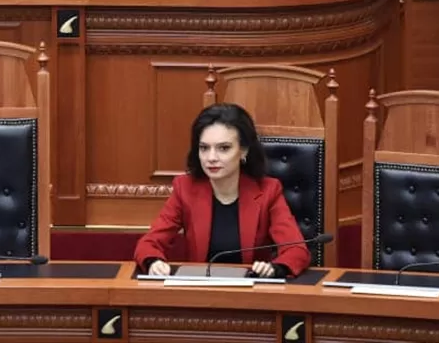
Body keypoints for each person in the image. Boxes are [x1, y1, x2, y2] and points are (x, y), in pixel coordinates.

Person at [133, 103, 311, 278]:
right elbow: (148, 244)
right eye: (204, 148)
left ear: (243, 151)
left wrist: (274, 269)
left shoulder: (268, 191)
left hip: (251, 291)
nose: (211, 158)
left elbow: (297, 250)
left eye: (223, 148)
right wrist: (153, 262)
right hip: (200, 290)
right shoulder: (185, 188)